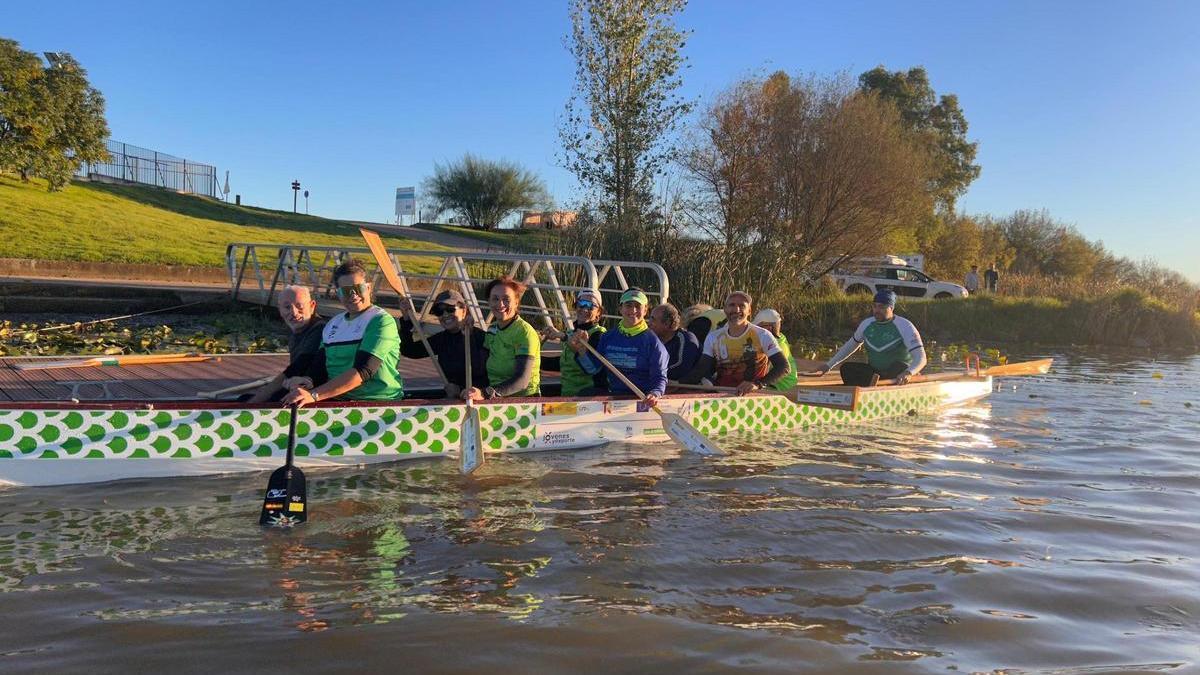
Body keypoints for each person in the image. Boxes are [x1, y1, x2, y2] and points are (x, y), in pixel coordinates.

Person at [283, 259, 404, 407]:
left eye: (358, 288)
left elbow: (363, 371)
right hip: (339, 400)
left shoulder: (381, 321)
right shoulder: (333, 324)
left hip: (377, 403)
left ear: (368, 287)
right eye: (346, 291)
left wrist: (314, 395)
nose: (353, 295)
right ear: (337, 293)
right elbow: (319, 367)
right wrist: (308, 381)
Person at [803, 289, 927, 386]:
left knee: (899, 366)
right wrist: (828, 365)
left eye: (882, 307)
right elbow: (850, 346)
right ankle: (858, 394)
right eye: (875, 306)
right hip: (876, 373)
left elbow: (922, 358)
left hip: (898, 374)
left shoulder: (905, 326)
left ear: (892, 308)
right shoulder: (867, 324)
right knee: (847, 368)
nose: (877, 310)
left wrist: (909, 372)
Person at [681, 291, 791, 395]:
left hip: (751, 397)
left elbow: (783, 367)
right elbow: (701, 369)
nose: (736, 309)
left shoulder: (763, 335)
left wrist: (757, 384)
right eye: (732, 305)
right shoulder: (713, 337)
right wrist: (678, 384)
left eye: (742, 306)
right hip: (720, 395)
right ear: (725, 309)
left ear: (749, 311)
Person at [576, 288, 669, 406]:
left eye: (638, 306)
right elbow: (593, 369)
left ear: (645, 310)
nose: (633, 310)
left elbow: (660, 377)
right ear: (620, 309)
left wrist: (655, 394)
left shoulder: (653, 343)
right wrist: (582, 351)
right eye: (628, 305)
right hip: (614, 396)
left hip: (641, 399)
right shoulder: (608, 337)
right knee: (584, 394)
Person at [398, 289, 487, 398]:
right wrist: (407, 320)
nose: (445, 315)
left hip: (481, 401)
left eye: (450, 309)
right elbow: (409, 350)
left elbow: (493, 376)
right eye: (439, 311)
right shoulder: (441, 339)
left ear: (464, 310)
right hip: (454, 400)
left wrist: (461, 390)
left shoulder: (481, 338)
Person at [464, 276, 541, 400]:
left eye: (506, 299)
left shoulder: (525, 333)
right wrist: (468, 328)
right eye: (495, 299)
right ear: (489, 302)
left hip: (524, 401)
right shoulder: (492, 329)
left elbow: (522, 381)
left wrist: (485, 393)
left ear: (516, 302)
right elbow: (480, 365)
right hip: (496, 398)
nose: (500, 304)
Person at [247, 285, 326, 403]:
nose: (293, 312)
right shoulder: (298, 329)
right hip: (299, 385)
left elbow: (297, 368)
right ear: (280, 310)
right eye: (287, 307)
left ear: (312, 306)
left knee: (265, 400)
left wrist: (254, 402)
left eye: (299, 306)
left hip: (314, 392)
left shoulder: (320, 330)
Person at [538, 288, 607, 396]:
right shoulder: (570, 331)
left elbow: (591, 368)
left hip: (588, 397)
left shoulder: (599, 334)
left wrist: (563, 337)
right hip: (567, 395)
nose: (584, 309)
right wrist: (534, 353)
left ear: (598, 312)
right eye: (582, 303)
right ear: (576, 306)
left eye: (590, 306)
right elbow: (564, 364)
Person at [647, 302, 700, 381]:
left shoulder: (687, 339)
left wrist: (652, 372)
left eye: (653, 319)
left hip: (685, 387)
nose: (649, 323)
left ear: (667, 323)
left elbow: (681, 367)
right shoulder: (651, 339)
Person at [753, 308, 798, 392]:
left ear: (769, 328)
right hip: (785, 383)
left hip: (782, 386)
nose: (756, 330)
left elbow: (780, 369)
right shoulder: (781, 337)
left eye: (759, 327)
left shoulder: (777, 344)